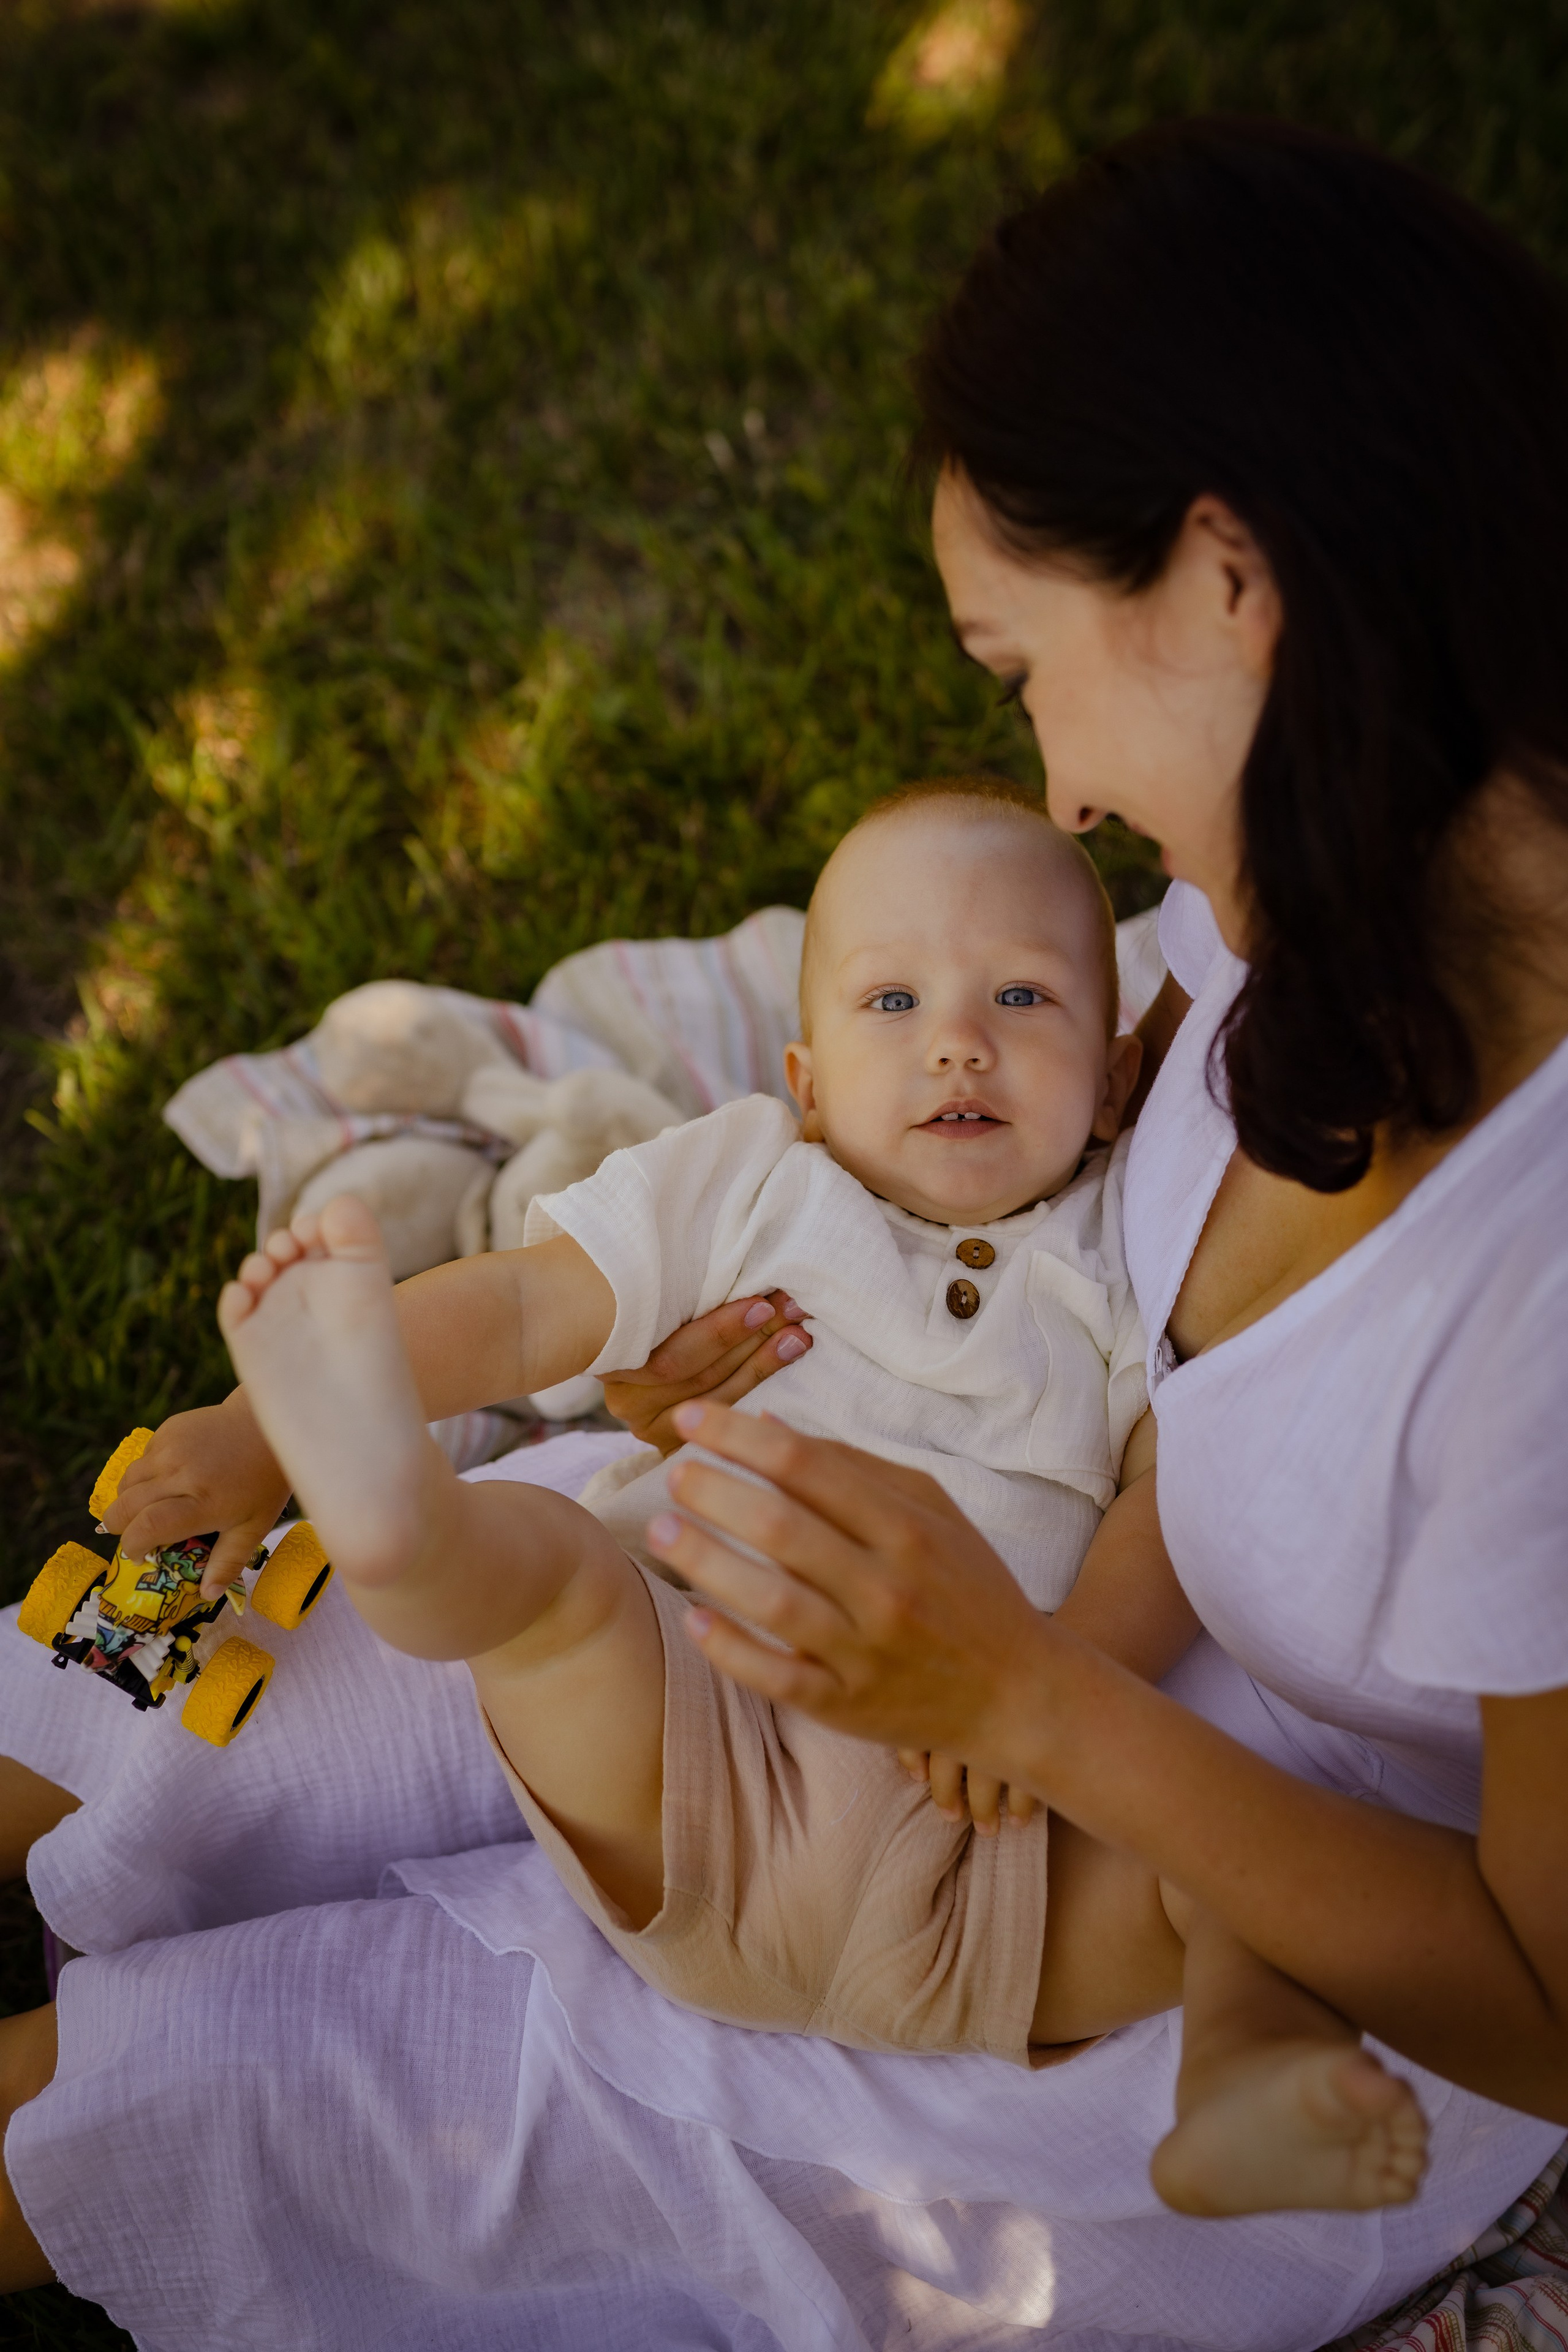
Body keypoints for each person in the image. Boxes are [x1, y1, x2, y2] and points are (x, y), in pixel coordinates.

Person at [1, 113, 1564, 2351]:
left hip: (1109, 1942)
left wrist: (1028, 1700)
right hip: (763, 1561)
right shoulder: (1279, 896)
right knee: (180, 1669)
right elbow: (954, 1051)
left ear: (1227, 583)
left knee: (268, 2075)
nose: (1063, 795)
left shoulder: (1541, 1289)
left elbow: (1547, 2009)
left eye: (1022, 670)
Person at [184, 775, 1421, 2206]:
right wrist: (254, 1433)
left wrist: (1060, 1686)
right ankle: (394, 1523)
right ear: (809, 1079)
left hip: (983, 1856)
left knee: (1236, 1864)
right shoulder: (753, 1183)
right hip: (688, 1739)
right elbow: (525, 1311)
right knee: (551, 1576)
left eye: (1021, 999)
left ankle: (1250, 2068)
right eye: (892, 1002)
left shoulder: (1131, 1251)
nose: (956, 1042)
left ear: (1111, 1080)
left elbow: (1162, 1500)